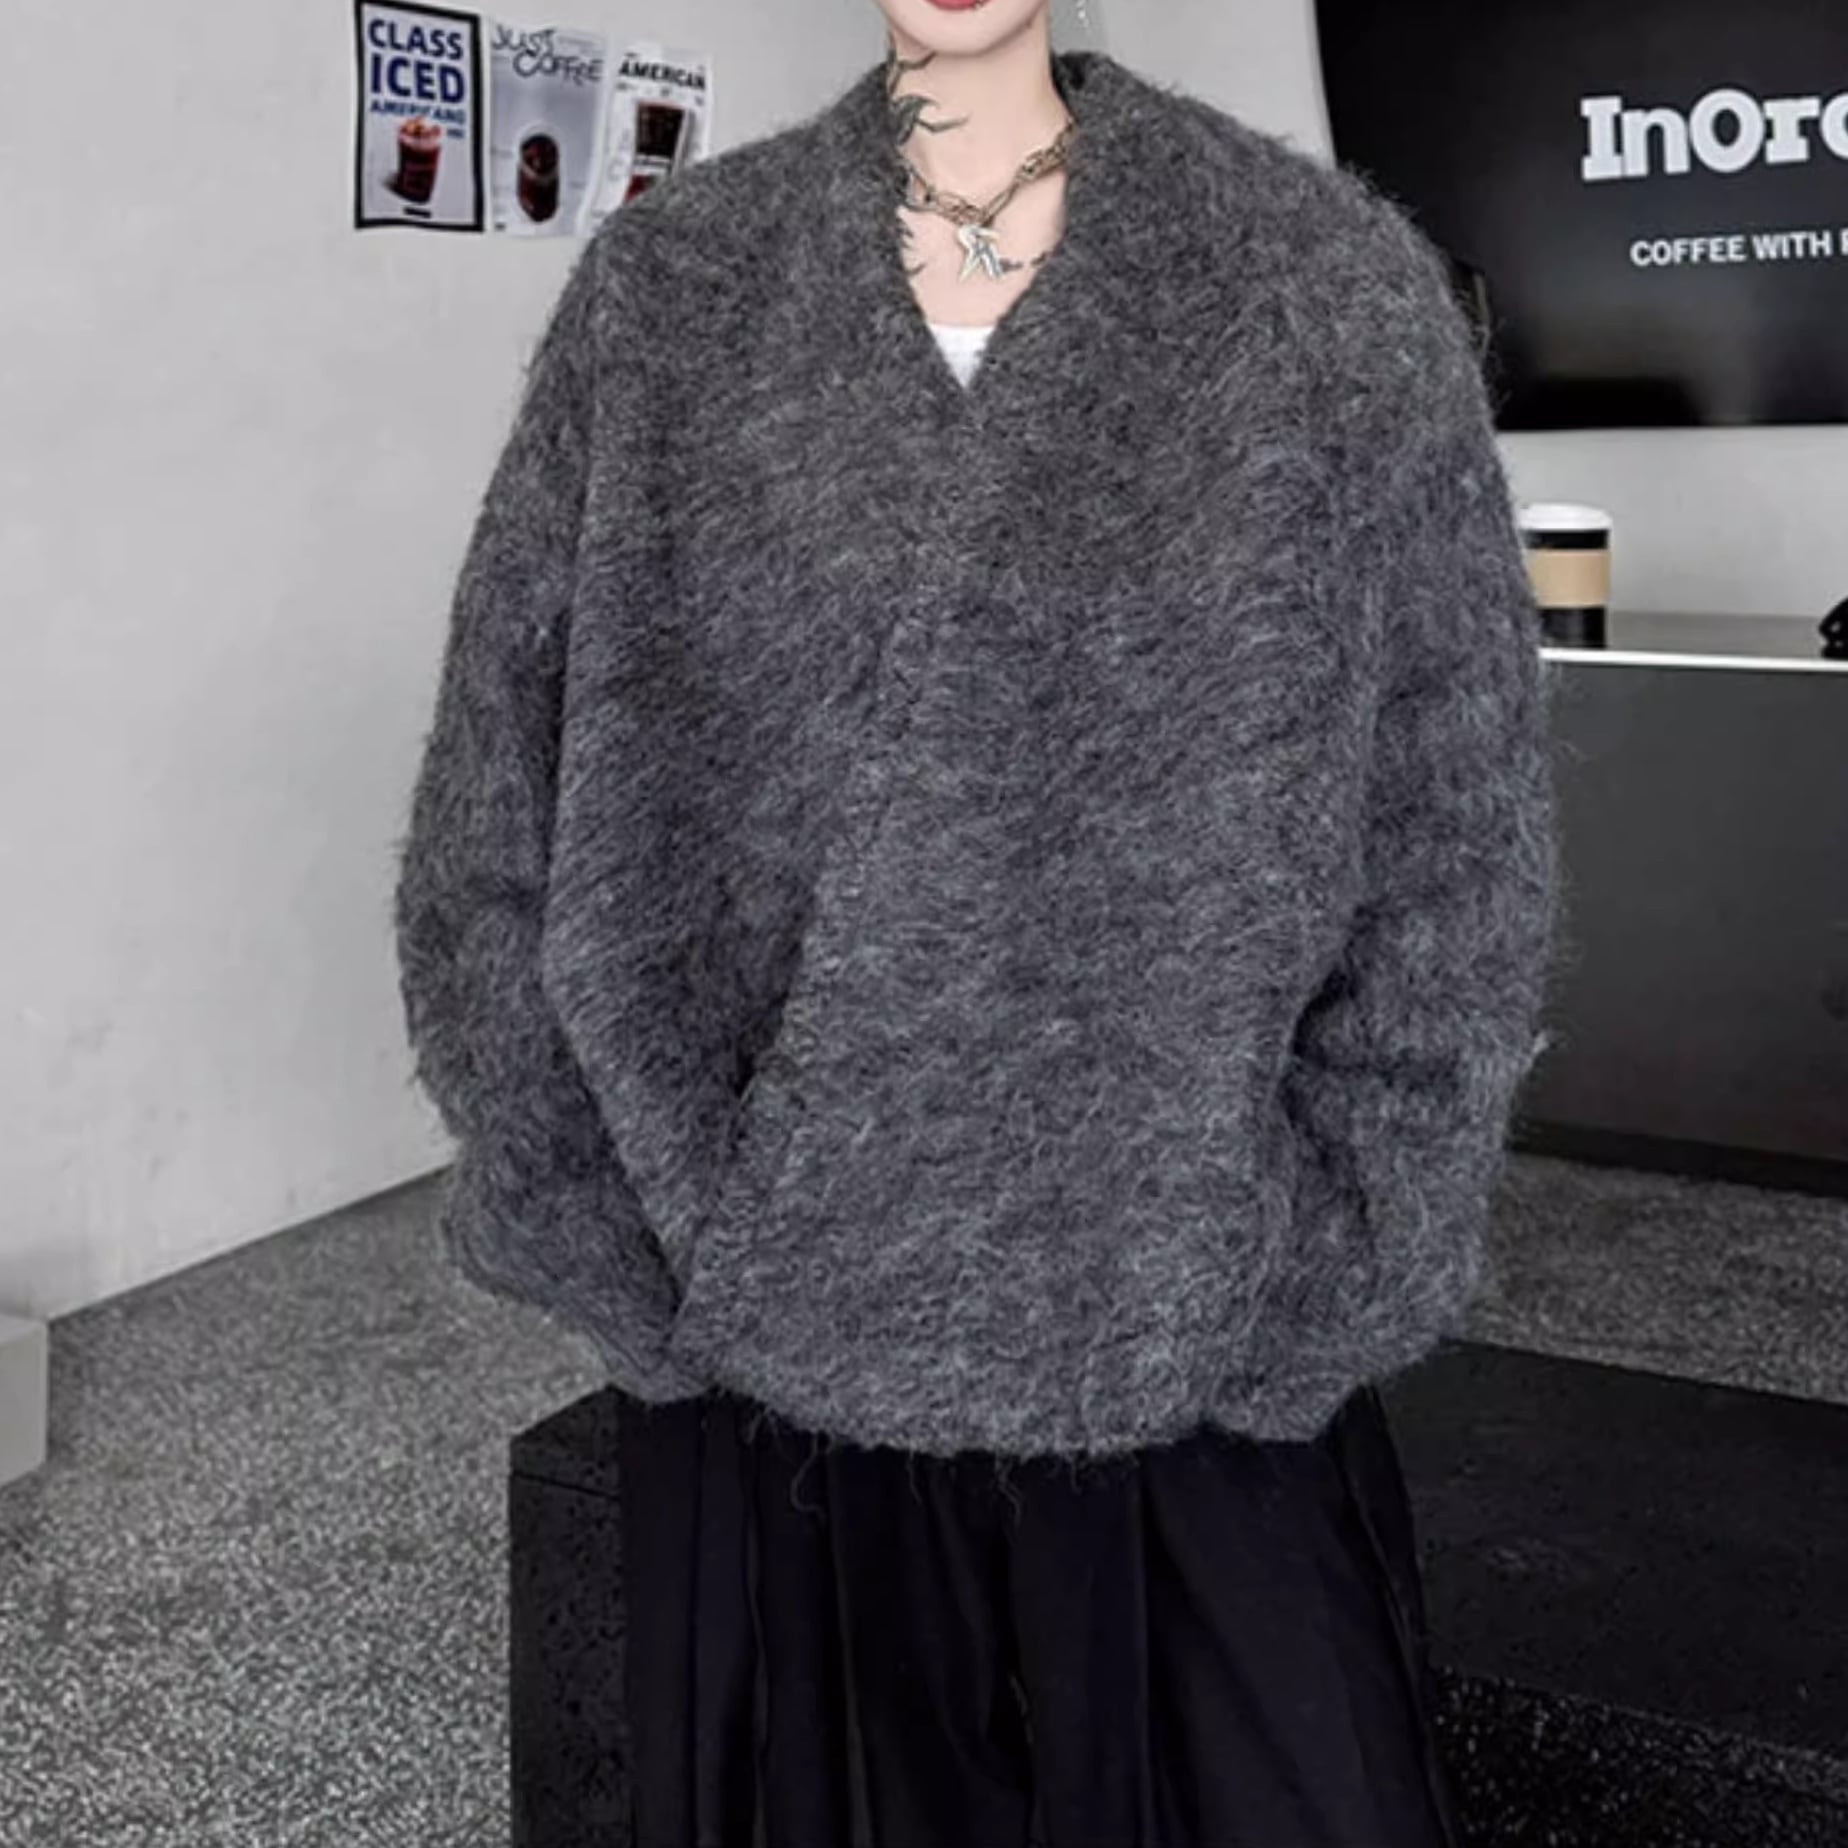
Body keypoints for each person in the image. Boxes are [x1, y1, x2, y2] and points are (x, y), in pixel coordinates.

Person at [391, 2, 1560, 1843]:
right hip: (768, 1359)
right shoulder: (674, 295)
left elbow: (1455, 837)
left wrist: (1329, 1255)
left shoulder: (1318, 283)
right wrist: (618, 1241)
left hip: (1200, 1354)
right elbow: (494, 805)